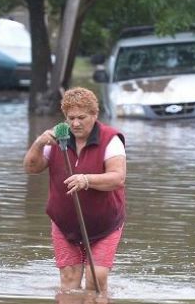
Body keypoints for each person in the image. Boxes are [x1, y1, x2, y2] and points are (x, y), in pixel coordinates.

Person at [23, 87, 127, 291]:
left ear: (94, 115)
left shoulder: (110, 139)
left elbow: (118, 178)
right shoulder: (56, 136)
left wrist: (86, 180)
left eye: (82, 117)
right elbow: (31, 168)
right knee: (69, 282)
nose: (75, 123)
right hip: (64, 223)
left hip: (104, 223)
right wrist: (38, 142)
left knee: (96, 278)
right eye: (70, 118)